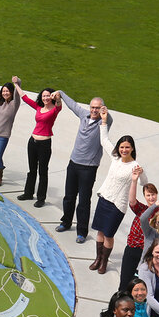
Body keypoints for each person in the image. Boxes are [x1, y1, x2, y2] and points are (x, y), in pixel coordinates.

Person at [88, 111, 144, 273]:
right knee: (99, 230)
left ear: (132, 148)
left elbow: (144, 182)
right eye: (121, 147)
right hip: (104, 198)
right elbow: (104, 140)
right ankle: (97, 258)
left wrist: (139, 175)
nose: (124, 150)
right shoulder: (115, 158)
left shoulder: (135, 166)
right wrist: (104, 121)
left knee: (108, 234)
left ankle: (104, 261)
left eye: (127, 147)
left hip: (117, 205)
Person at [56, 92, 111, 243]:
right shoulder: (84, 115)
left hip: (88, 168)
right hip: (73, 163)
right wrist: (60, 93)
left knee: (84, 201)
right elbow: (73, 105)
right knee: (69, 197)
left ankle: (81, 232)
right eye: (92, 107)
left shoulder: (104, 122)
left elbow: (108, 118)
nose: (94, 110)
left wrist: (105, 114)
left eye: (97, 108)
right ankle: (66, 222)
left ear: (102, 109)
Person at [13, 81, 62, 207]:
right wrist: (16, 84)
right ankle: (28, 193)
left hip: (44, 144)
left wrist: (57, 96)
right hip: (32, 142)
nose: (45, 98)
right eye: (43, 96)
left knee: (43, 171)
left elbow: (59, 103)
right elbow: (24, 97)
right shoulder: (39, 108)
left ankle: (41, 198)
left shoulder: (55, 109)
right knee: (32, 170)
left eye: (48, 96)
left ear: (51, 97)